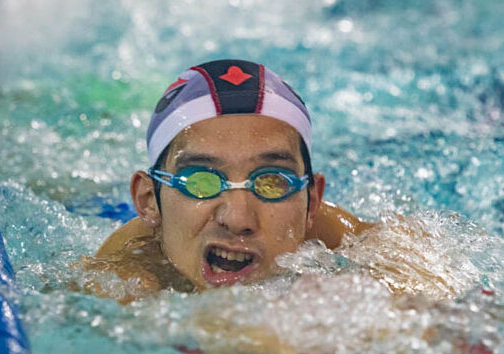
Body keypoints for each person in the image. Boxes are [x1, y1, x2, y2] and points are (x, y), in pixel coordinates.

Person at [85, 58, 374, 297]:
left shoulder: (362, 250)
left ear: (312, 202)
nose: (237, 220)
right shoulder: (118, 282)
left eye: (271, 182)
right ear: (148, 200)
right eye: (201, 181)